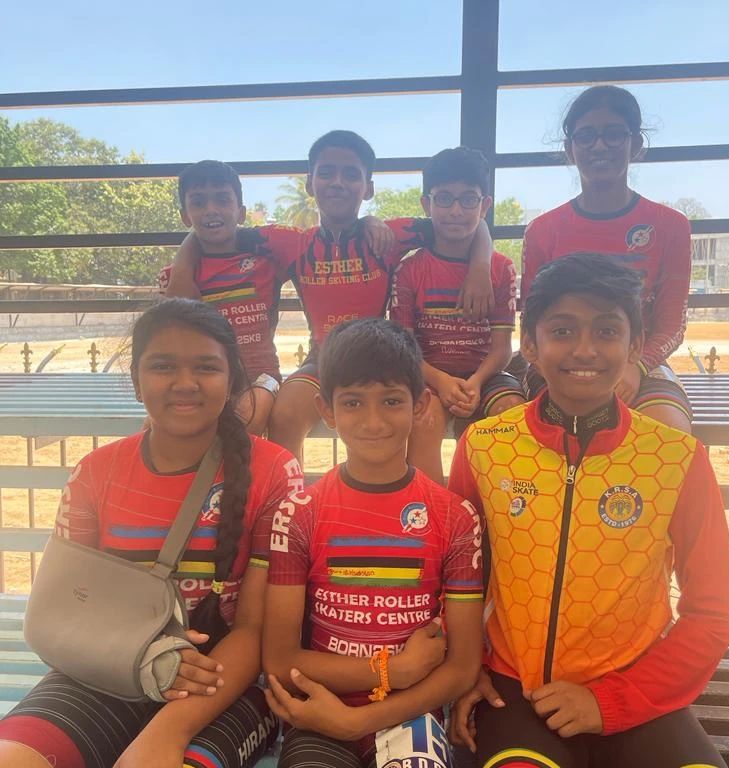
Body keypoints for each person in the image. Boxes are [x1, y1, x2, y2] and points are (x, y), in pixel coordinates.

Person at [448, 254, 729, 768]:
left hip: (638, 691)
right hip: (518, 692)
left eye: (607, 331)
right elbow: (456, 578)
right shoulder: (484, 445)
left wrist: (610, 702)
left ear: (634, 345)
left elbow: (716, 611)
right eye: (563, 330)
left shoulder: (675, 457)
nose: (585, 349)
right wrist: (465, 667)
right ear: (530, 344)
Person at [0, 299, 304, 768]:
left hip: (223, 684)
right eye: (163, 366)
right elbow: (60, 611)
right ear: (136, 379)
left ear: (231, 380)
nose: (185, 383)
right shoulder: (96, 472)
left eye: (206, 367)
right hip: (105, 670)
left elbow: (254, 629)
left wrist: (169, 732)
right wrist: (147, 662)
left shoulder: (274, 472)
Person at [168, 130, 495, 465]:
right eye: (326, 173)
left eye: (351, 174)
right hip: (323, 360)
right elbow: (212, 232)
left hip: (381, 358)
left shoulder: (389, 235)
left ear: (368, 187)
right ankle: (286, 495)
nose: (338, 182)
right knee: (285, 413)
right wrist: (181, 271)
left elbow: (474, 224)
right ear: (310, 184)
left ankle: (395, 491)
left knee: (400, 420)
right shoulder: (291, 242)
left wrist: (480, 268)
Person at [262, 317, 484, 768]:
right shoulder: (299, 512)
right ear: (327, 411)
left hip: (413, 713)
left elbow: (463, 666)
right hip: (320, 708)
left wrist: (360, 720)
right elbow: (280, 659)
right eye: (353, 402)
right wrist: (391, 670)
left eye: (391, 401)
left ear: (420, 405)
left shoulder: (455, 517)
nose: (374, 420)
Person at [520, 85, 694, 432]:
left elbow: (672, 324)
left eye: (613, 134)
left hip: (639, 365)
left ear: (635, 144)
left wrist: (635, 365)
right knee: (553, 431)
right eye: (586, 136)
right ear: (570, 148)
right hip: (559, 364)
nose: (599, 146)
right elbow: (531, 321)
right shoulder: (543, 230)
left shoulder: (670, 226)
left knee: (667, 433)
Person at [391, 147, 525, 483]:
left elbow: (502, 349)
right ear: (427, 205)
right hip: (428, 376)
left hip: (486, 376)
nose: (455, 211)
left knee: (510, 411)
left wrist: (476, 382)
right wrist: (440, 380)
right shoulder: (410, 270)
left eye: (468, 200)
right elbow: (404, 349)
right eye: (444, 199)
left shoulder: (501, 268)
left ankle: (494, 507)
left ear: (485, 205)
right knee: (424, 419)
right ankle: (430, 508)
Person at [163, 160, 287, 435]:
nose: (211, 210)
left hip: (261, 378)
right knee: (159, 430)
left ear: (241, 212)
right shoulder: (177, 277)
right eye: (198, 202)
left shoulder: (268, 263)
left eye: (222, 200)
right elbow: (168, 332)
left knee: (246, 419)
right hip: (203, 381)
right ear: (185, 216)